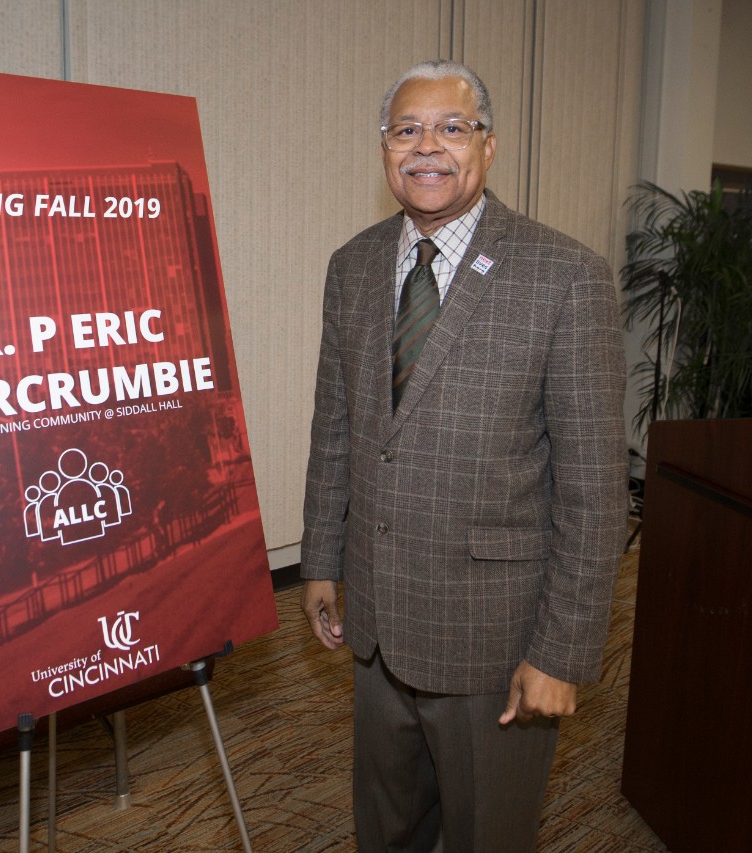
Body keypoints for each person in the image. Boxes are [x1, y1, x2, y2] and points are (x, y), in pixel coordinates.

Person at [300, 59, 627, 852]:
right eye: (407, 129)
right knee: (386, 826)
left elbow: (594, 491)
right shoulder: (354, 265)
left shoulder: (566, 277)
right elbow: (336, 426)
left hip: (495, 638)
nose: (427, 146)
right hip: (377, 623)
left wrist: (561, 653)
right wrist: (320, 560)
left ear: (488, 146)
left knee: (488, 835)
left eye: (452, 127)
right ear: (384, 148)